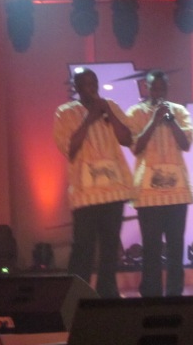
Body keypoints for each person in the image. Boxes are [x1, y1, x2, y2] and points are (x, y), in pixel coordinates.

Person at [53, 67, 134, 298]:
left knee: (110, 248)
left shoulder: (111, 106)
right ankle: (77, 298)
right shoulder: (65, 113)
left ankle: (108, 294)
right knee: (83, 248)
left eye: (94, 83)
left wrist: (108, 112)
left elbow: (127, 139)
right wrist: (89, 119)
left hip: (114, 191)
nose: (92, 88)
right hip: (85, 194)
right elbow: (69, 148)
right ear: (77, 87)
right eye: (87, 84)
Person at [126, 70, 193, 297]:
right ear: (146, 88)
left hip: (177, 192)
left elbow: (186, 145)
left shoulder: (179, 112)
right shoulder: (135, 113)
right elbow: (136, 147)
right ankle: (151, 293)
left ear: (167, 88)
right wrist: (154, 120)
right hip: (148, 193)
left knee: (176, 245)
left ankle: (175, 292)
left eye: (162, 88)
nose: (158, 92)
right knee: (151, 246)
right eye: (154, 88)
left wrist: (170, 120)